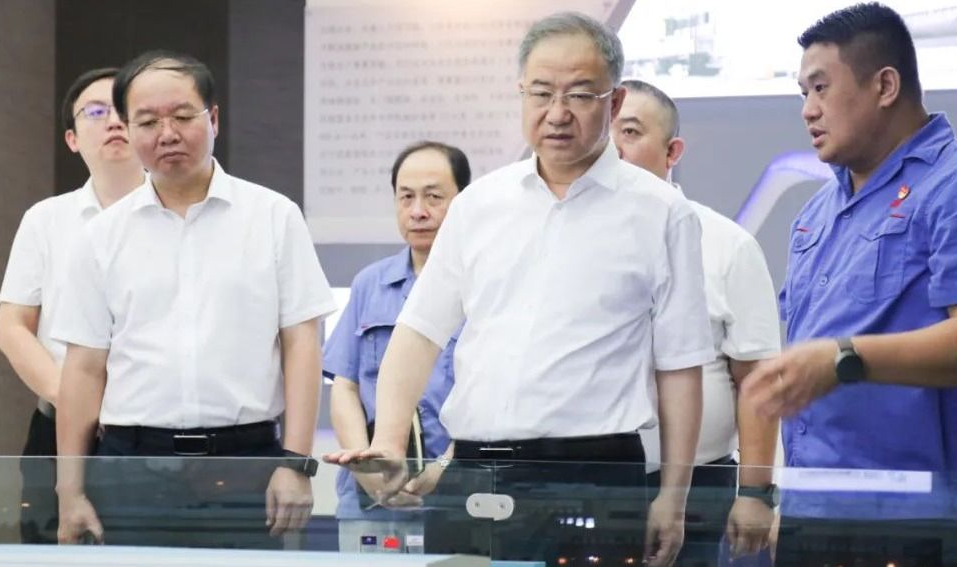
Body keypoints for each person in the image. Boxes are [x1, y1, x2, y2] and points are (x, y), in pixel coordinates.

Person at [326, 12, 715, 567]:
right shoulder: (479, 205)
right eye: (541, 92)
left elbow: (679, 367)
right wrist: (388, 440)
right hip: (472, 474)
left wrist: (673, 498)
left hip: (593, 477)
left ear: (614, 101)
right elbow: (417, 333)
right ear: (521, 93)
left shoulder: (661, 213)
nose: (557, 113)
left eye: (579, 94)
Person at [742, 4, 957, 566]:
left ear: (885, 86)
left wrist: (843, 359)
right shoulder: (817, 212)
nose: (807, 110)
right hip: (814, 512)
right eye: (802, 93)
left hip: (924, 522)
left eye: (821, 87)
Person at [51, 51, 334, 548]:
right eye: (147, 122)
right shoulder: (101, 236)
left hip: (246, 464)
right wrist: (69, 491)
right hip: (132, 467)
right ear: (129, 129)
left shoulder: (273, 217)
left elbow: (302, 344)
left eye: (183, 116)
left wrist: (296, 463)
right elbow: (83, 368)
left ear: (214, 118)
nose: (167, 133)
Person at [613, 78, 781, 564]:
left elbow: (756, 380)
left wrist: (756, 491)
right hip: (593, 479)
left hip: (700, 487)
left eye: (630, 132)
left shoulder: (728, 245)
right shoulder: (570, 242)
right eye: (605, 133)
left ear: (673, 151)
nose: (612, 148)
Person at [0, 67, 145, 544]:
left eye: (124, 110)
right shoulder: (46, 220)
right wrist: (72, 399)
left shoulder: (177, 216)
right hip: (55, 422)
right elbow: (13, 326)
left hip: (148, 434)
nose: (114, 122)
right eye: (96, 112)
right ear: (72, 139)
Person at [324, 141, 470, 552]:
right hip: (371, 501)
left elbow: (491, 394)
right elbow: (345, 385)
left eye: (434, 197)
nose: (418, 211)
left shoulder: (483, 286)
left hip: (460, 495)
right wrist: (367, 471)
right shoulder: (370, 283)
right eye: (406, 197)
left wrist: (444, 468)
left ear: (464, 202)